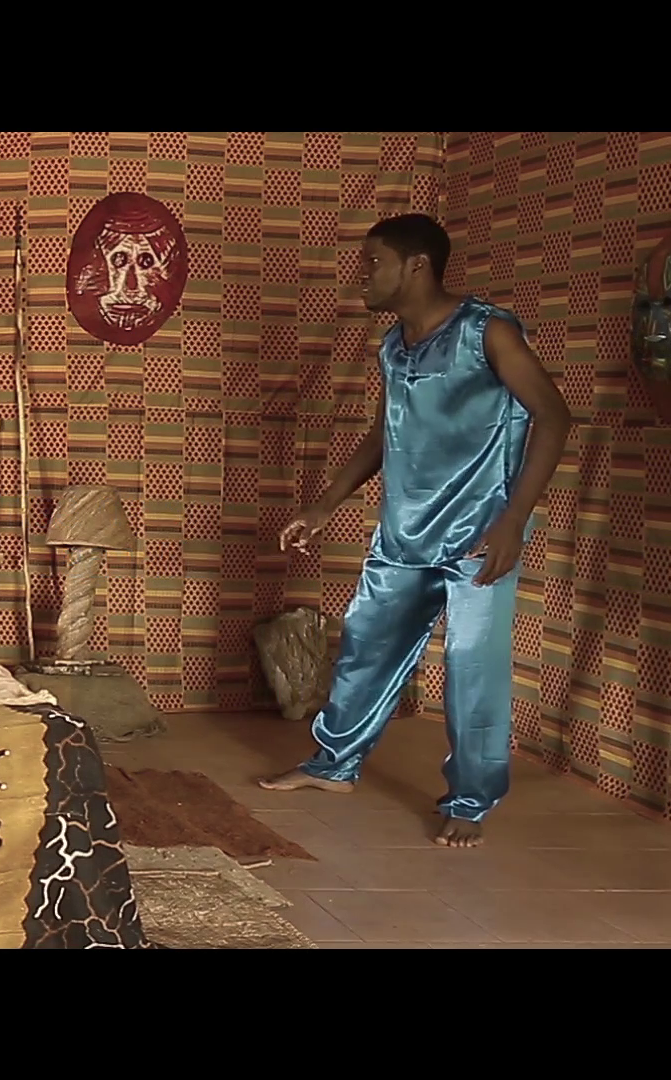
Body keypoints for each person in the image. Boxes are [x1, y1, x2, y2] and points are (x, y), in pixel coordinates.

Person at [258, 214, 571, 848]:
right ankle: (333, 765)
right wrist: (324, 505)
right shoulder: (394, 344)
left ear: (417, 265)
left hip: (479, 534)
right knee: (366, 649)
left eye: (373, 262)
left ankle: (471, 800)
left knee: (471, 670)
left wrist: (513, 520)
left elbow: (554, 416)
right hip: (404, 531)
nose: (362, 275)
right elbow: (385, 433)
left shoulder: (488, 331)